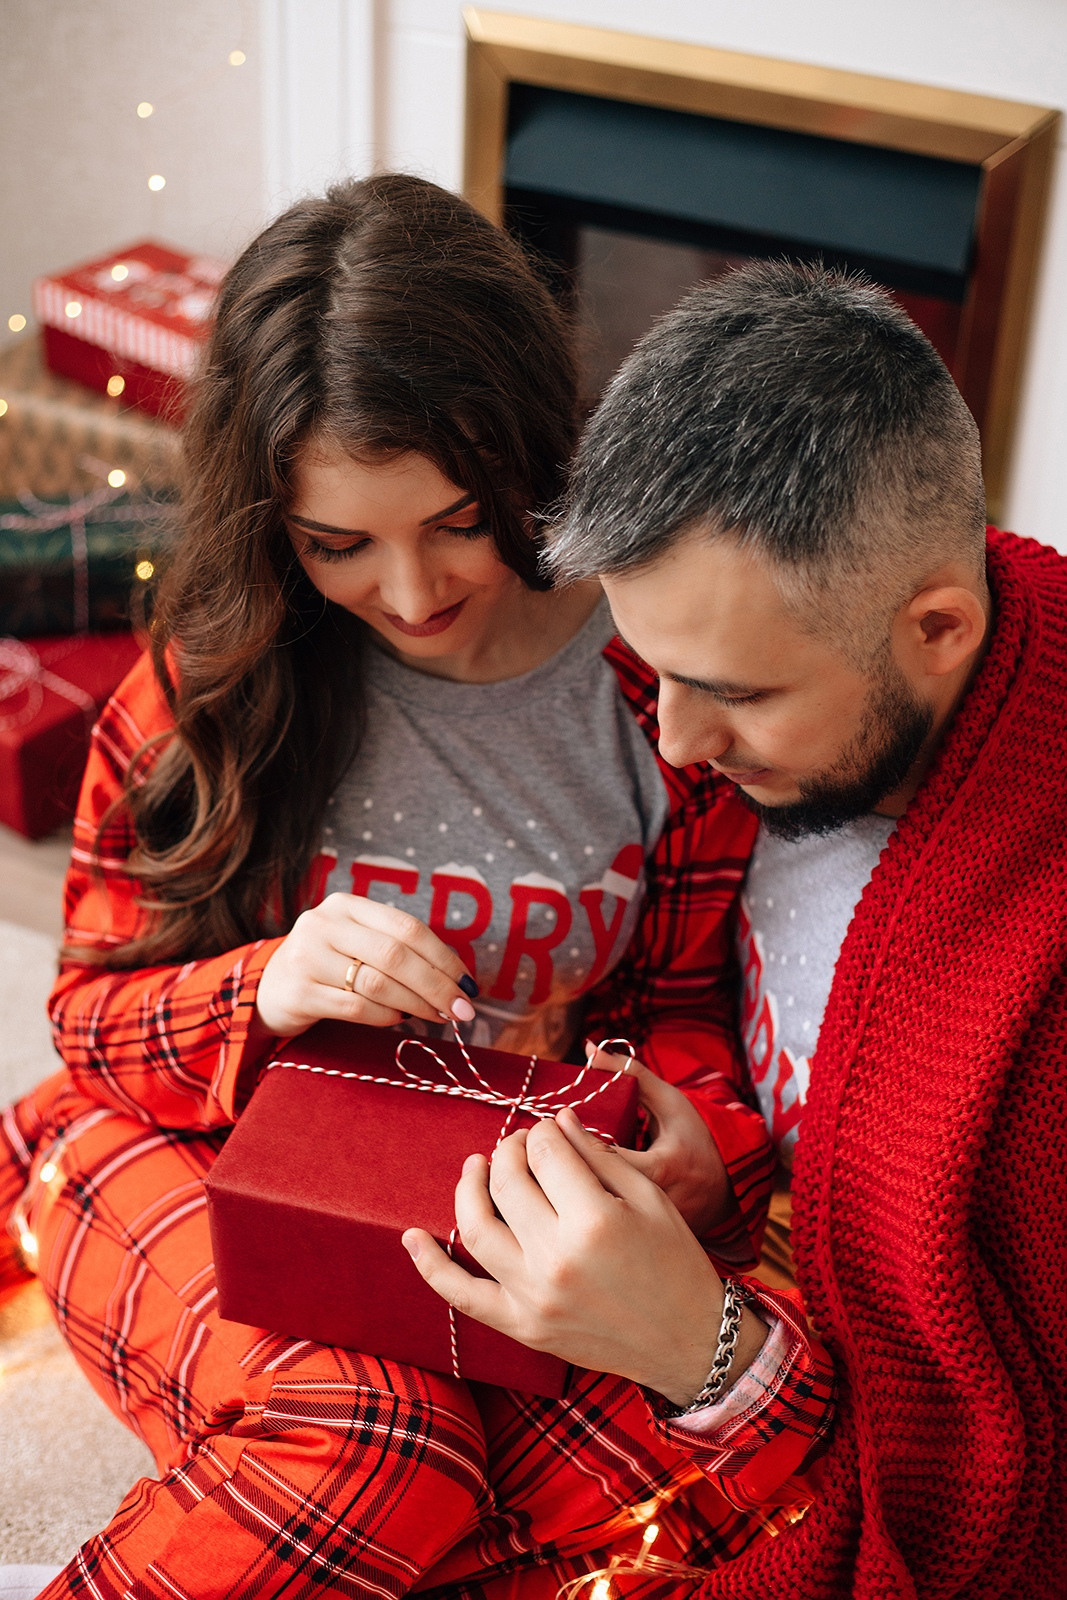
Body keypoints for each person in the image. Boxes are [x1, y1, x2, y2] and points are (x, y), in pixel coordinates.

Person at [0, 183, 833, 1600]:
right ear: (278, 529)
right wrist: (259, 985)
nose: (411, 590)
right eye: (338, 545)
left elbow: (687, 1007)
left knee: (660, 1499)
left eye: (457, 519)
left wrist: (698, 1147)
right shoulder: (223, 666)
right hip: (191, 1152)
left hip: (484, 1212)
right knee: (379, 1448)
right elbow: (88, 1022)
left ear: (527, 448)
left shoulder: (658, 671)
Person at [406, 261, 1067, 1600]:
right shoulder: (784, 746)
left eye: (734, 695)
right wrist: (729, 1163)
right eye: (652, 671)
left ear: (937, 625)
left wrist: (710, 1356)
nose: (676, 744)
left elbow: (1002, 1526)